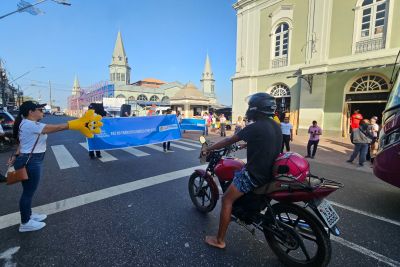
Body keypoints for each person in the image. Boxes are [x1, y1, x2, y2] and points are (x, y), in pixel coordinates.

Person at [203, 93, 282, 249]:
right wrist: (244, 145)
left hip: (255, 175)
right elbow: (264, 142)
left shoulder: (255, 127)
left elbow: (228, 140)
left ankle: (219, 240)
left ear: (255, 108)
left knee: (226, 199)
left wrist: (209, 148)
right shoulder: (275, 126)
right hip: (270, 173)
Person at [8, 101, 101, 232]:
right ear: (30, 112)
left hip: (29, 158)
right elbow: (56, 128)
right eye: (39, 109)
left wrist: (15, 155)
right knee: (28, 192)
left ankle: (28, 215)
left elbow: (22, 142)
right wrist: (75, 124)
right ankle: (25, 223)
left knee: (28, 191)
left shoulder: (27, 123)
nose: (42, 111)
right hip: (32, 160)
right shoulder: (30, 125)